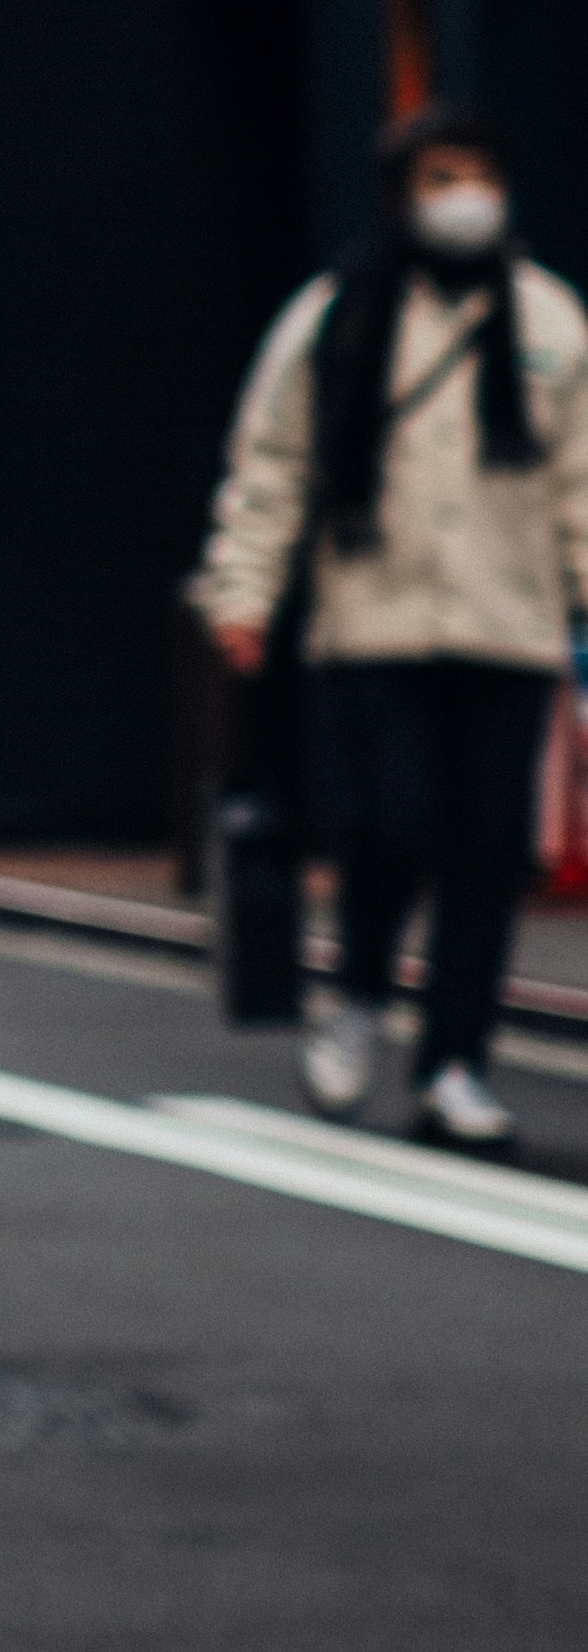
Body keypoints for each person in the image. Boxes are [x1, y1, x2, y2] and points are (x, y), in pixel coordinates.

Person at [196, 103, 588, 1147]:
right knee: (391, 827)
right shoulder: (337, 316)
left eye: (479, 174)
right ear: (402, 194)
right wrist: (243, 594)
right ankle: (359, 995)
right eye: (440, 176)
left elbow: (582, 487)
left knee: (488, 854)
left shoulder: (551, 322)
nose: (464, 197)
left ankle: (455, 1062)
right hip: (372, 622)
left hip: (509, 626)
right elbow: (272, 465)